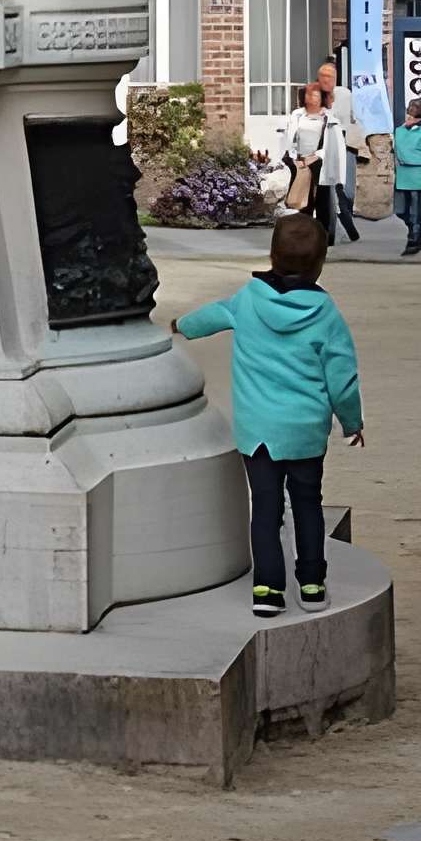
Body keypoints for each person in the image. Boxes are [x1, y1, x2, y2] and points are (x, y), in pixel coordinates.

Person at [172, 211, 364, 615]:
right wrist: (351, 422)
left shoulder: (248, 299)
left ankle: (267, 590)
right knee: (309, 504)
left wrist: (181, 324)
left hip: (257, 430)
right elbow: (342, 376)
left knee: (265, 508)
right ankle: (311, 584)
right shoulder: (326, 315)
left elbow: (210, 316)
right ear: (320, 263)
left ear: (272, 256)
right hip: (305, 431)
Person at [315, 58, 361, 243]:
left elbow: (355, 117)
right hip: (324, 145)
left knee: (345, 190)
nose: (327, 80)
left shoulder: (345, 94)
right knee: (327, 192)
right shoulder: (315, 95)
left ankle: (349, 228)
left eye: (330, 76)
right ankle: (330, 234)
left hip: (344, 142)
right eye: (323, 76)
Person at [280, 79, 335, 230]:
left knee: (323, 200)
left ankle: (323, 234)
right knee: (304, 200)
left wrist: (316, 156)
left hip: (320, 161)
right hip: (300, 161)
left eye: (316, 96)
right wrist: (294, 157)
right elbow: (290, 138)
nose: (312, 99)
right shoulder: (297, 115)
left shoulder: (328, 116)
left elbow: (331, 141)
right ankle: (305, 233)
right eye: (309, 96)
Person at [393, 96, 421, 257]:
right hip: (403, 173)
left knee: (415, 209)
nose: (409, 117)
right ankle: (417, 229)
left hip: (417, 173)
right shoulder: (400, 130)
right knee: (401, 210)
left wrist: (410, 159)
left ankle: (414, 236)